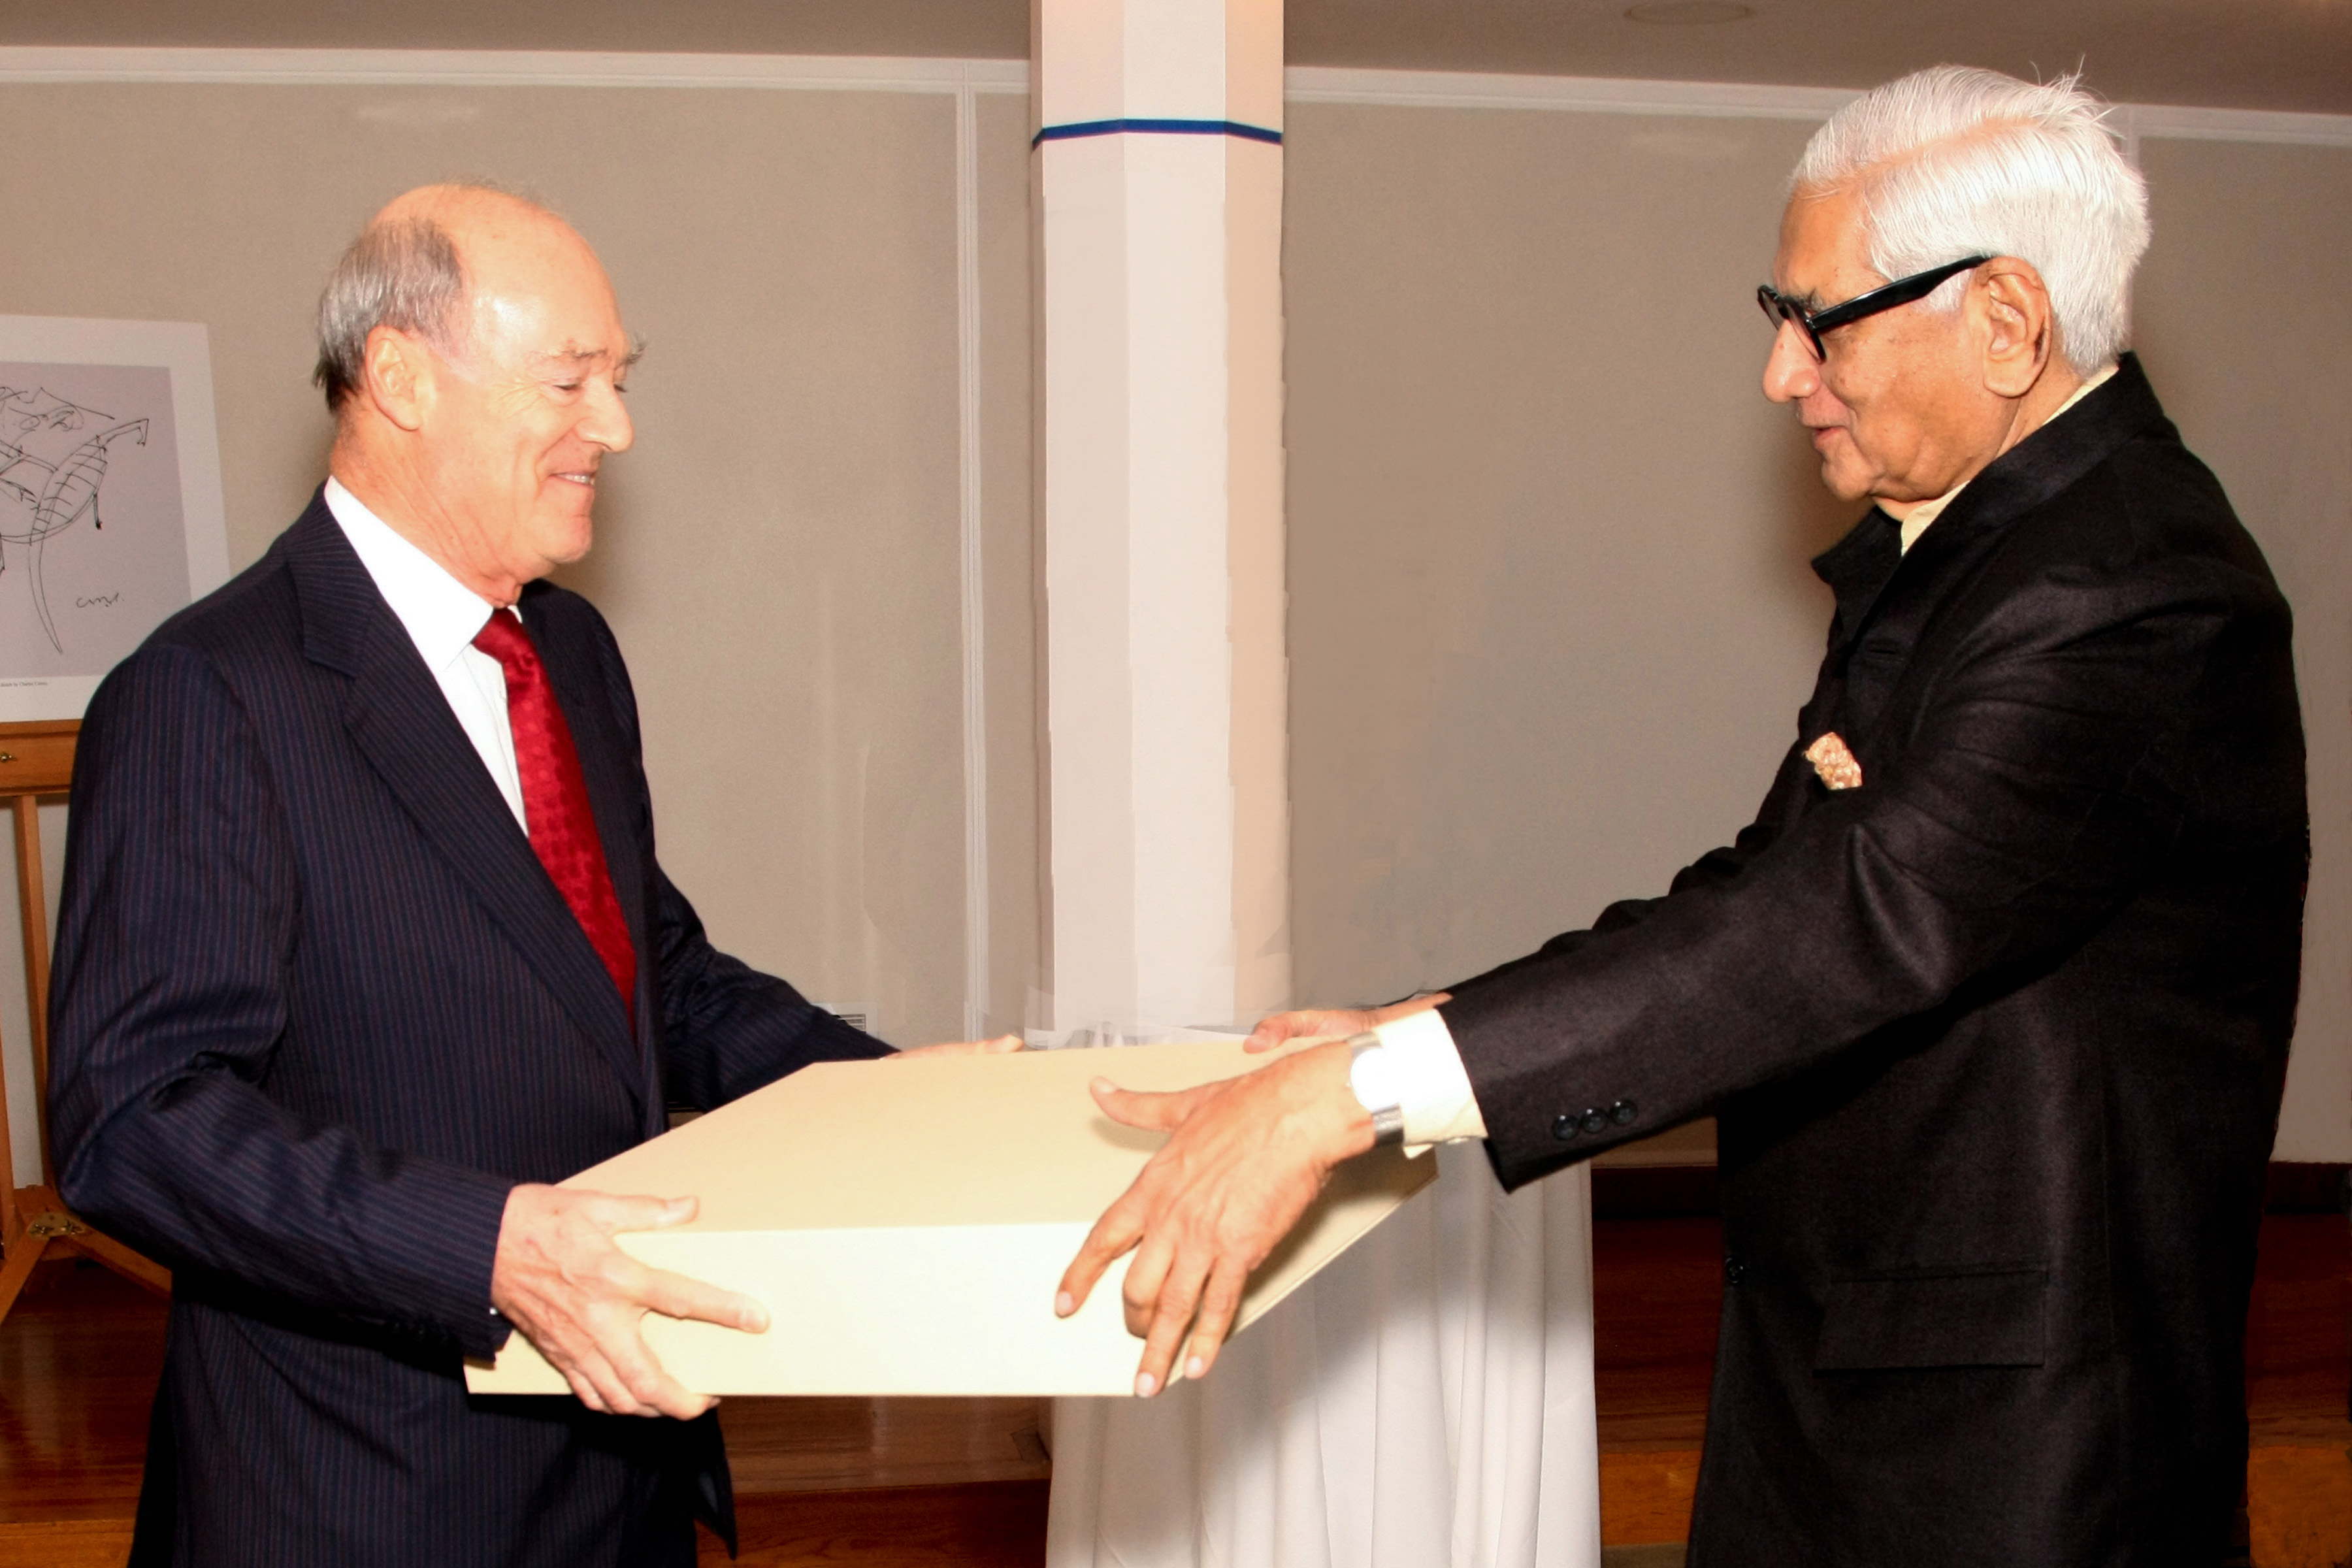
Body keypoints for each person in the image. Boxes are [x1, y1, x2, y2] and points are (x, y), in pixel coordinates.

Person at [1058, 66, 2307, 1565]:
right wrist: (1415, 1021)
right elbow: (1773, 884)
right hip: (1860, 1399)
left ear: (2008, 322)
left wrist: (1354, 1099)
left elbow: (1853, 923)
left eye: (1821, 320)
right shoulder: (1989, 545)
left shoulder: (2127, 587)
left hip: (2016, 1458)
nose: (1785, 375)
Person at [47, 184, 1009, 1567]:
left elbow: (647, 978)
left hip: (615, 1467)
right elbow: (132, 1118)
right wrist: (485, 1248)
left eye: (619, 381)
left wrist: (894, 1096)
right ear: (399, 378)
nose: (614, 427)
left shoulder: (569, 656)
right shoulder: (211, 693)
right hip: (361, 1498)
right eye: (571, 379)